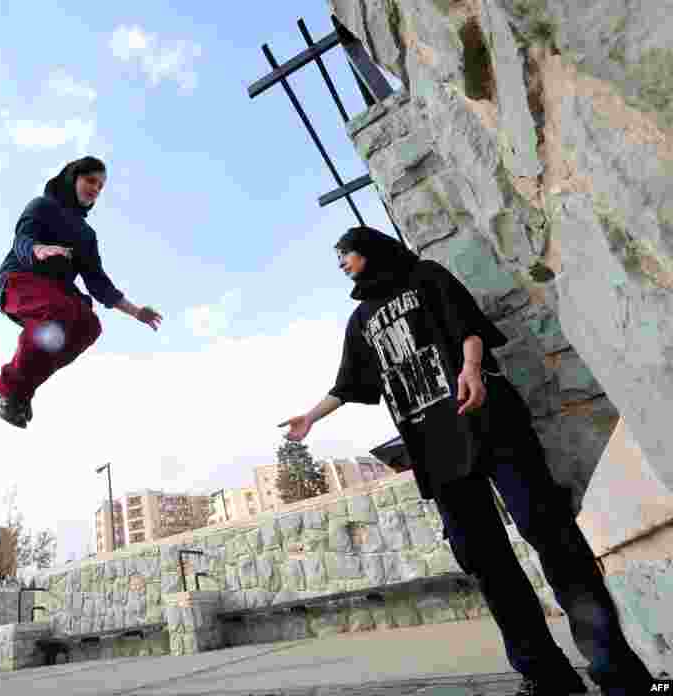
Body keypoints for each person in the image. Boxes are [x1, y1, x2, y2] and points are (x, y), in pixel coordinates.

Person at [278, 226, 654, 696]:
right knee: (486, 563)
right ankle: (544, 674)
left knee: (549, 533)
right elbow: (349, 383)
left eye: (345, 255)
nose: (341, 265)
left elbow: (469, 326)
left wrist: (471, 369)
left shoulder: (425, 276)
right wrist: (311, 417)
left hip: (489, 422)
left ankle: (619, 673)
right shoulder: (361, 320)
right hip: (436, 450)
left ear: (368, 249)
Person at [0, 156, 162, 428]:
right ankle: (7, 387)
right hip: (18, 280)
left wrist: (137, 311)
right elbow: (22, 239)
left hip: (54, 294)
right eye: (90, 180)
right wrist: (38, 250)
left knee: (88, 325)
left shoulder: (86, 234)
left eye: (101, 186)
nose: (95, 189)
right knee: (62, 310)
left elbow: (98, 284)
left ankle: (17, 394)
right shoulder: (43, 206)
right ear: (73, 178)